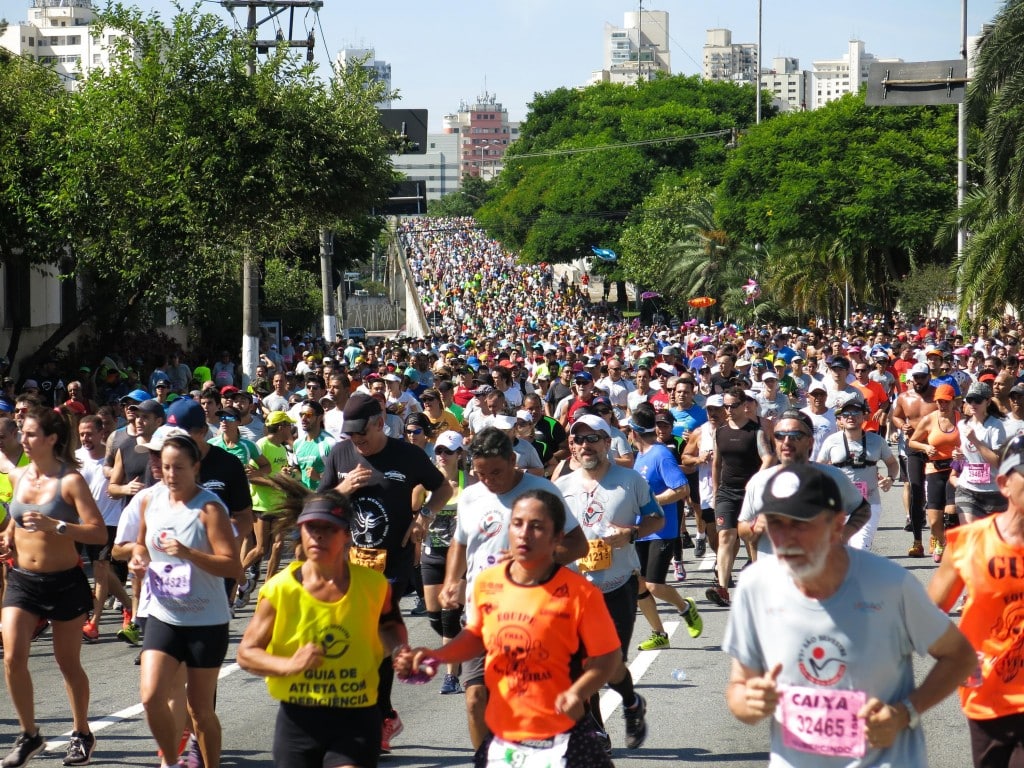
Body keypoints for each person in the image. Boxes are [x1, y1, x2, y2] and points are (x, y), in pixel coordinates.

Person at [723, 463, 978, 767]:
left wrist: (905, 712)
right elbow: (739, 688)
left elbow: (960, 657)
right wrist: (748, 703)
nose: (785, 537)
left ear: (836, 526)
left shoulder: (890, 585)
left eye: (800, 523)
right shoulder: (756, 584)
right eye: (775, 523)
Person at [396, 489, 619, 768]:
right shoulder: (489, 583)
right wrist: (437, 655)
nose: (524, 534)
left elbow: (609, 656)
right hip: (505, 735)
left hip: (565, 736)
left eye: (537, 526)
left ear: (557, 538)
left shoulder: (581, 594)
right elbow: (477, 636)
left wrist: (578, 692)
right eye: (517, 524)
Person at [317, 393, 452, 754]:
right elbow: (320, 503)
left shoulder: (406, 454)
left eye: (362, 433)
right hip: (350, 564)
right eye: (351, 435)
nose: (356, 441)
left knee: (372, 643)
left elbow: (443, 487)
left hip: (391, 564)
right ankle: (383, 714)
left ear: (379, 423)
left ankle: (374, 721)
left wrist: (425, 517)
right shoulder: (340, 454)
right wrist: (343, 489)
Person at [440, 427, 588, 750]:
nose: (488, 479)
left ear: (513, 460)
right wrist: (452, 580)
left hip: (534, 614)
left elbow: (579, 545)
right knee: (476, 698)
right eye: (480, 473)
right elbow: (459, 543)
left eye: (496, 471)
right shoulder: (470, 496)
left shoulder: (542, 492)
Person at [237, 491, 408, 768]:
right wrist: (288, 665)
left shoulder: (374, 585)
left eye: (329, 529)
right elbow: (246, 654)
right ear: (301, 532)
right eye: (311, 528)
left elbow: (390, 626)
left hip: (356, 715)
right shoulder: (280, 589)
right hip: (298, 721)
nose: (318, 536)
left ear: (347, 536)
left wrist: (399, 651)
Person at [0, 407, 107, 767]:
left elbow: (98, 531)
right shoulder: (18, 477)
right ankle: (30, 735)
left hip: (63, 583)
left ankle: (82, 732)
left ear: (51, 439)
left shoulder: (70, 480)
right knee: (13, 657)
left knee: (68, 663)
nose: (24, 440)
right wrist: (7, 539)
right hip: (22, 581)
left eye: (30, 434)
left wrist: (57, 525)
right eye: (22, 433)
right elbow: (15, 522)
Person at [555, 414, 669, 751]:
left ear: (608, 443)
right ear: (572, 446)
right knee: (581, 665)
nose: (586, 445)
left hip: (617, 585)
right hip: (575, 589)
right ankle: (596, 731)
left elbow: (655, 518)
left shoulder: (630, 480)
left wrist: (630, 534)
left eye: (594, 438)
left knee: (610, 663)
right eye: (579, 439)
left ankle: (632, 703)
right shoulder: (560, 486)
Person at [128, 432, 238, 768]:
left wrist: (189, 553)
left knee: (200, 711)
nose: (171, 474)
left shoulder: (208, 508)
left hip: (205, 619)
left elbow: (233, 566)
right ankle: (173, 762)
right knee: (151, 697)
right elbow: (140, 544)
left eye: (179, 468)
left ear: (196, 467)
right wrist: (137, 558)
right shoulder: (151, 500)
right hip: (163, 613)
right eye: (165, 467)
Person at [928, 435, 1024, 768]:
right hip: (988, 696)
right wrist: (957, 655)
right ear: (1004, 484)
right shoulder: (970, 543)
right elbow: (925, 616)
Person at [709, 387, 775, 607]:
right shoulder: (720, 431)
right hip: (726, 492)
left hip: (750, 494)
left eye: (732, 406)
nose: (728, 410)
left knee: (751, 539)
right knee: (725, 536)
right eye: (725, 406)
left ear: (744, 405)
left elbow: (768, 458)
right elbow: (716, 463)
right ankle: (722, 588)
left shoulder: (755, 431)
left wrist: (756, 482)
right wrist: (716, 492)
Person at [421, 430, 471, 695]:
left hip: (459, 557)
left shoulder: (470, 482)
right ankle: (459, 643)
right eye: (439, 450)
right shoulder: (426, 484)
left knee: (449, 617)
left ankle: (451, 676)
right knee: (435, 617)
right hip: (431, 553)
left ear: (459, 454)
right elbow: (413, 512)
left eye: (448, 451)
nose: (441, 456)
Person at [816, 398, 899, 550]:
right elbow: (819, 468)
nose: (851, 417)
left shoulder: (877, 441)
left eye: (856, 413)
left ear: (864, 416)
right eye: (846, 413)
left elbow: (893, 464)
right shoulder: (831, 441)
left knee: (860, 548)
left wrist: (890, 479)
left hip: (868, 504)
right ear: (840, 419)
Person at [907, 384, 961, 561]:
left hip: (956, 469)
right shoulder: (930, 419)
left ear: (953, 402)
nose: (942, 405)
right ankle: (939, 539)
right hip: (934, 469)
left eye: (945, 402)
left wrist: (961, 453)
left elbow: (972, 443)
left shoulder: (962, 420)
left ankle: (952, 547)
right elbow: (912, 442)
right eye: (938, 401)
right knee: (934, 521)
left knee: (952, 510)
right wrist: (925, 447)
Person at [955, 382, 1008, 524]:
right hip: (967, 488)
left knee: (992, 542)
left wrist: (975, 441)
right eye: (969, 400)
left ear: (988, 401)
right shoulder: (962, 425)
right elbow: (965, 453)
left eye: (977, 400)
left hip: (993, 491)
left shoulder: (996, 426)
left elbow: (998, 462)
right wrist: (958, 455)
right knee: (970, 535)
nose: (973, 404)